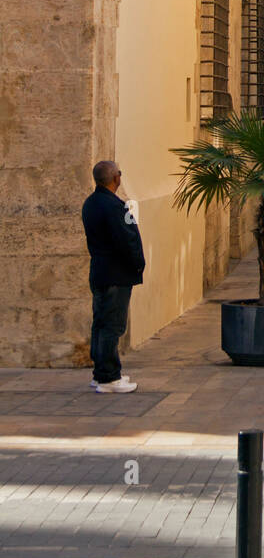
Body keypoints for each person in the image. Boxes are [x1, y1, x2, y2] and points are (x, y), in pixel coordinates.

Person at [81, 160, 146, 393]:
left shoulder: (90, 204)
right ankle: (109, 378)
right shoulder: (115, 206)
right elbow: (127, 239)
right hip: (116, 275)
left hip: (99, 271)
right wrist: (139, 263)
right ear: (116, 178)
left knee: (100, 323)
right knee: (112, 326)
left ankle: (101, 374)